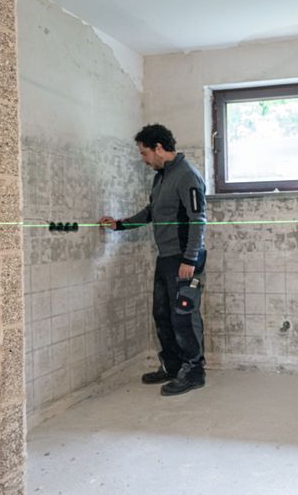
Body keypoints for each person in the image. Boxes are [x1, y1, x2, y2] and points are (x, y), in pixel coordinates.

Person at [99, 123, 207, 396]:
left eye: (145, 153)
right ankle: (172, 366)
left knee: (184, 317)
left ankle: (193, 372)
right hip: (166, 257)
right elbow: (152, 212)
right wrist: (120, 225)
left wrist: (190, 259)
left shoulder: (186, 175)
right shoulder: (161, 176)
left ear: (159, 148)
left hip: (184, 259)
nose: (143, 160)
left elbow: (198, 220)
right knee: (162, 314)